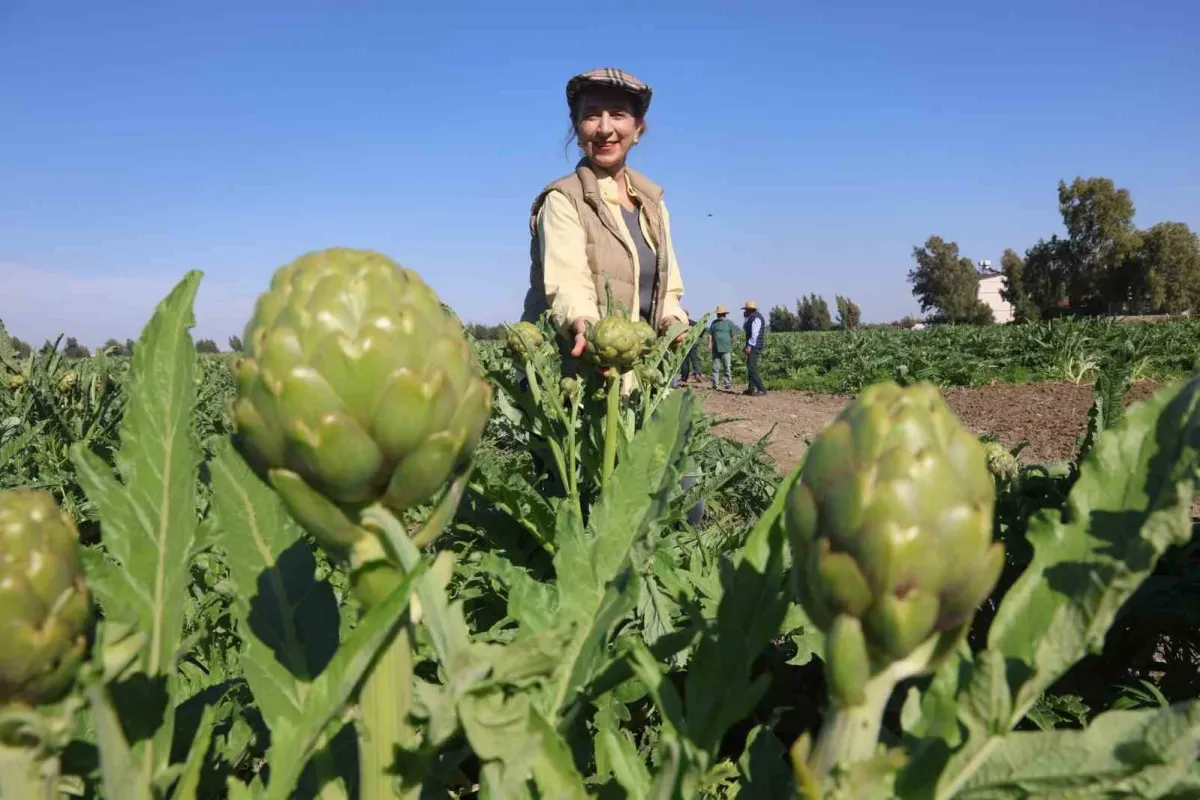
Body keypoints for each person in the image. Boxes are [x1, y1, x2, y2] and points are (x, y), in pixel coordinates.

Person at [521, 67, 689, 366]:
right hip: (573, 372)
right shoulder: (563, 199)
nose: (604, 128)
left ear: (638, 129)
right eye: (592, 115)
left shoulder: (653, 203)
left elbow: (668, 287)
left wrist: (673, 322)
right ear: (576, 127)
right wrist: (584, 324)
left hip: (635, 371)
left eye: (619, 114)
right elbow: (567, 284)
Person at [742, 300, 768, 396]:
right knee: (750, 367)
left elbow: (754, 334)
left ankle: (761, 389)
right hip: (753, 345)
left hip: (754, 345)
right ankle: (751, 388)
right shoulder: (751, 318)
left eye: (746, 310)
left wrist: (749, 346)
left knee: (752, 368)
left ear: (750, 310)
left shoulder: (755, 319)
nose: (744, 312)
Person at [708, 305, 736, 390]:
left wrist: (730, 345)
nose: (719, 316)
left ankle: (728, 383)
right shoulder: (714, 323)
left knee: (727, 367)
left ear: (724, 314)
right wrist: (709, 344)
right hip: (715, 349)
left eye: (720, 314)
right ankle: (715, 384)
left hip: (726, 349)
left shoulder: (729, 323)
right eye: (718, 314)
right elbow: (710, 335)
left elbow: (733, 336)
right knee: (715, 368)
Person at [677, 312, 703, 385]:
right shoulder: (693, 323)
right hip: (693, 343)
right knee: (694, 359)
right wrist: (698, 336)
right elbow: (702, 329)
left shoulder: (680, 324)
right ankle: (698, 374)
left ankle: (684, 377)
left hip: (684, 344)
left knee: (685, 361)